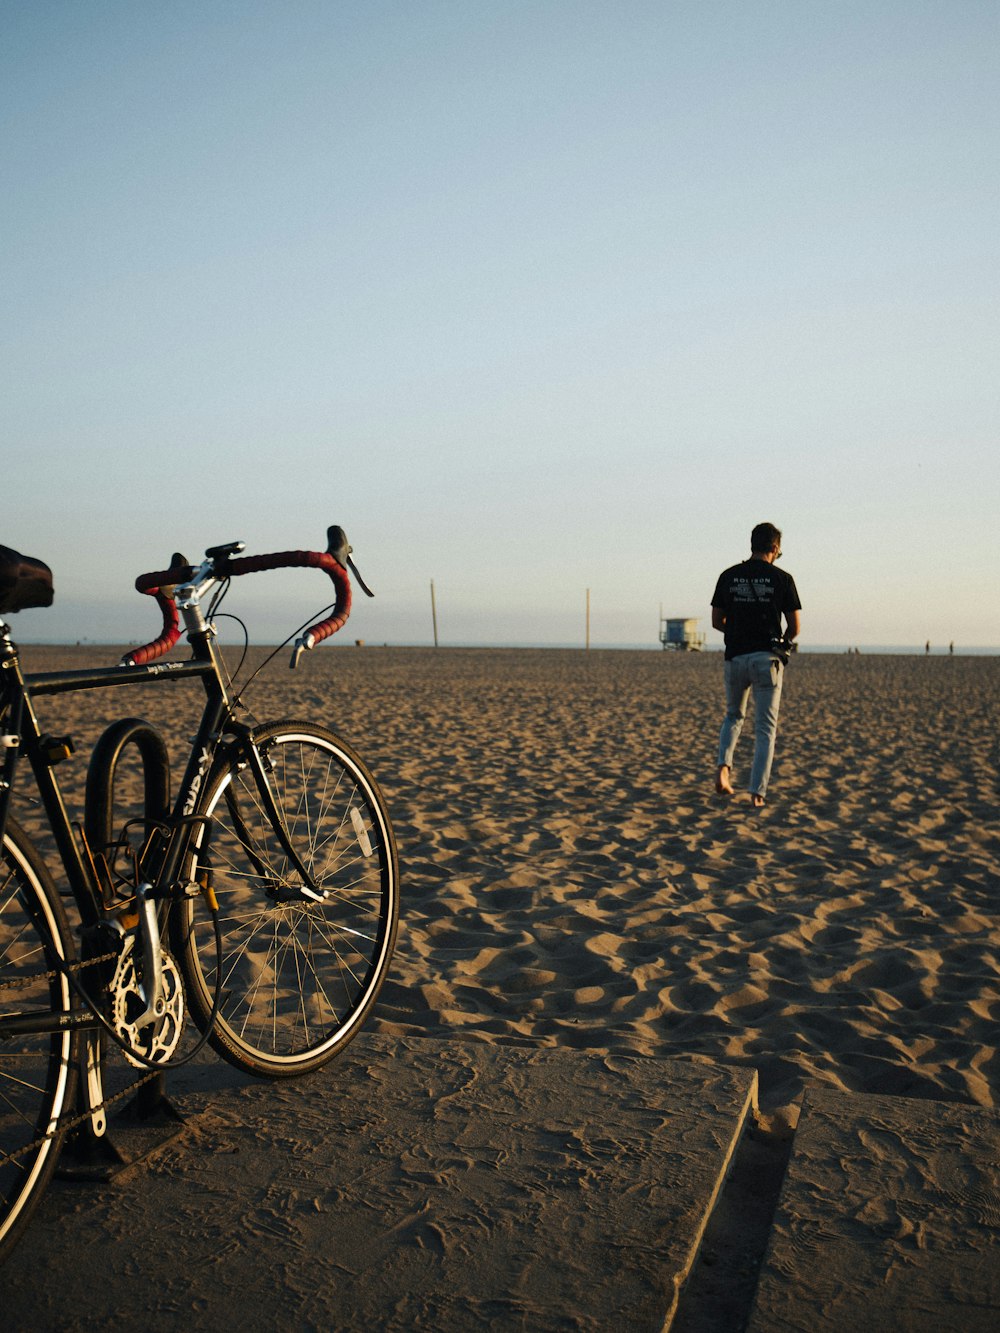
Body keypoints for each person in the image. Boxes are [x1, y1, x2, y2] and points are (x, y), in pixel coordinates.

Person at [711, 522, 801, 807]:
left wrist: (739, 632)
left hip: (736, 657)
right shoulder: (783, 578)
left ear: (752, 544)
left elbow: (716, 621)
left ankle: (724, 770)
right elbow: (795, 626)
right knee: (765, 728)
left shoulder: (728, 576)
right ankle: (757, 793)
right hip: (767, 659)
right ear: (774, 548)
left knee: (733, 716)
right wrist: (781, 641)